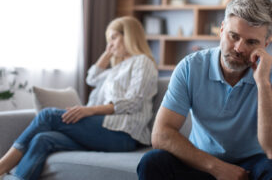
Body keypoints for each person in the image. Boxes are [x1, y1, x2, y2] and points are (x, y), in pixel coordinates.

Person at [137, 0, 272, 180]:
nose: (239, 48)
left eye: (251, 42)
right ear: (221, 30)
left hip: (251, 166)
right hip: (202, 161)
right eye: (233, 36)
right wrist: (217, 168)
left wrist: (263, 83)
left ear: (266, 44)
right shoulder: (190, 67)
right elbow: (161, 134)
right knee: (152, 161)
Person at [0, 16, 158, 180]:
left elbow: (134, 102)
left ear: (129, 36)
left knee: (47, 116)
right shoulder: (117, 69)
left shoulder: (143, 62)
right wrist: (107, 53)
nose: (110, 44)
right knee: (43, 139)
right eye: (108, 40)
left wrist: (89, 111)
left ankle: (2, 166)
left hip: (124, 133)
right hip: (105, 130)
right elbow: (91, 78)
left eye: (114, 38)